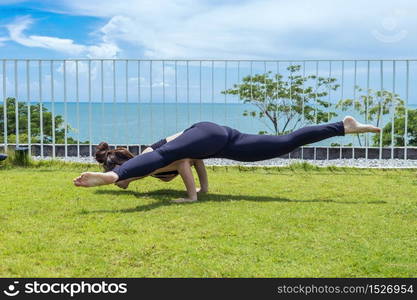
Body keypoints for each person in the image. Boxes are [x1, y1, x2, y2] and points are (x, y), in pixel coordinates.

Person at [73, 116, 380, 203]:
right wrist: (205, 191)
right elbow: (195, 161)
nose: (127, 186)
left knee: (164, 156)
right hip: (222, 139)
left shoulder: (150, 159)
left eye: (122, 179)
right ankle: (342, 127)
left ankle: (107, 178)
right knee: (285, 143)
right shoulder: (147, 162)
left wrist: (192, 197)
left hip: (210, 137)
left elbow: (181, 162)